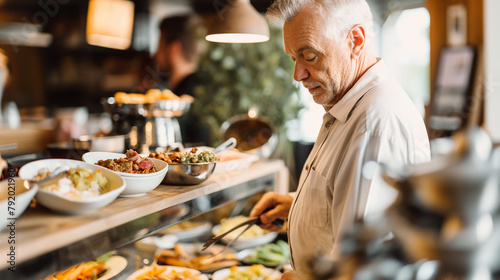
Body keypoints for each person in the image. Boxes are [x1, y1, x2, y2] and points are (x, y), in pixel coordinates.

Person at [249, 1, 431, 279]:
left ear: (355, 40)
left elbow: (363, 269)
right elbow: (350, 202)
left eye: (309, 56)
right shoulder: (346, 104)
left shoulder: (374, 123)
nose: (298, 75)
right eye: (292, 58)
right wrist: (297, 205)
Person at [154, 14, 210, 147]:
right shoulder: (203, 87)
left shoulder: (180, 98)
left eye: (159, 45)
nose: (155, 54)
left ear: (173, 49)